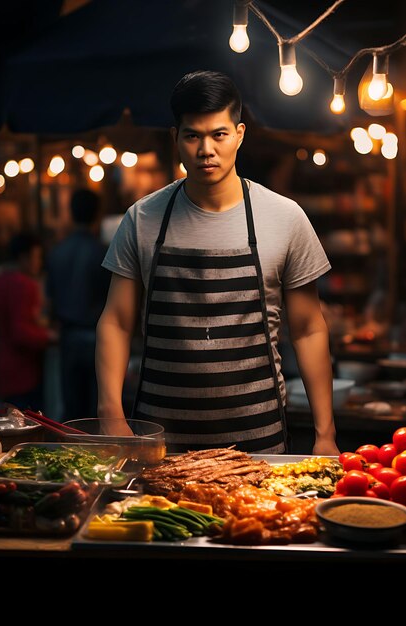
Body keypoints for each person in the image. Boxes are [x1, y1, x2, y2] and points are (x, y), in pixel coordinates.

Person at [96, 70, 338, 455]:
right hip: (161, 444)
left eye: (219, 134)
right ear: (175, 138)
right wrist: (110, 410)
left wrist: (325, 433)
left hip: (259, 443)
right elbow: (117, 321)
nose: (205, 149)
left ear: (239, 134)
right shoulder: (142, 219)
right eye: (192, 135)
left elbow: (308, 328)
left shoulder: (285, 217)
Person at [46, 188, 111, 421]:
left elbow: (51, 300)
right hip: (98, 338)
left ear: (71, 213)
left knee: (72, 411)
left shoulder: (56, 252)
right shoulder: (103, 251)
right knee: (98, 410)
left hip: (68, 337)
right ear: (97, 215)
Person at [0, 231, 54, 411]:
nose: (39, 262)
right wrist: (48, 336)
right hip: (25, 371)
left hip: (4, 366)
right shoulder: (25, 285)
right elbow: (21, 332)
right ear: (24, 257)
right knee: (29, 423)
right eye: (36, 257)